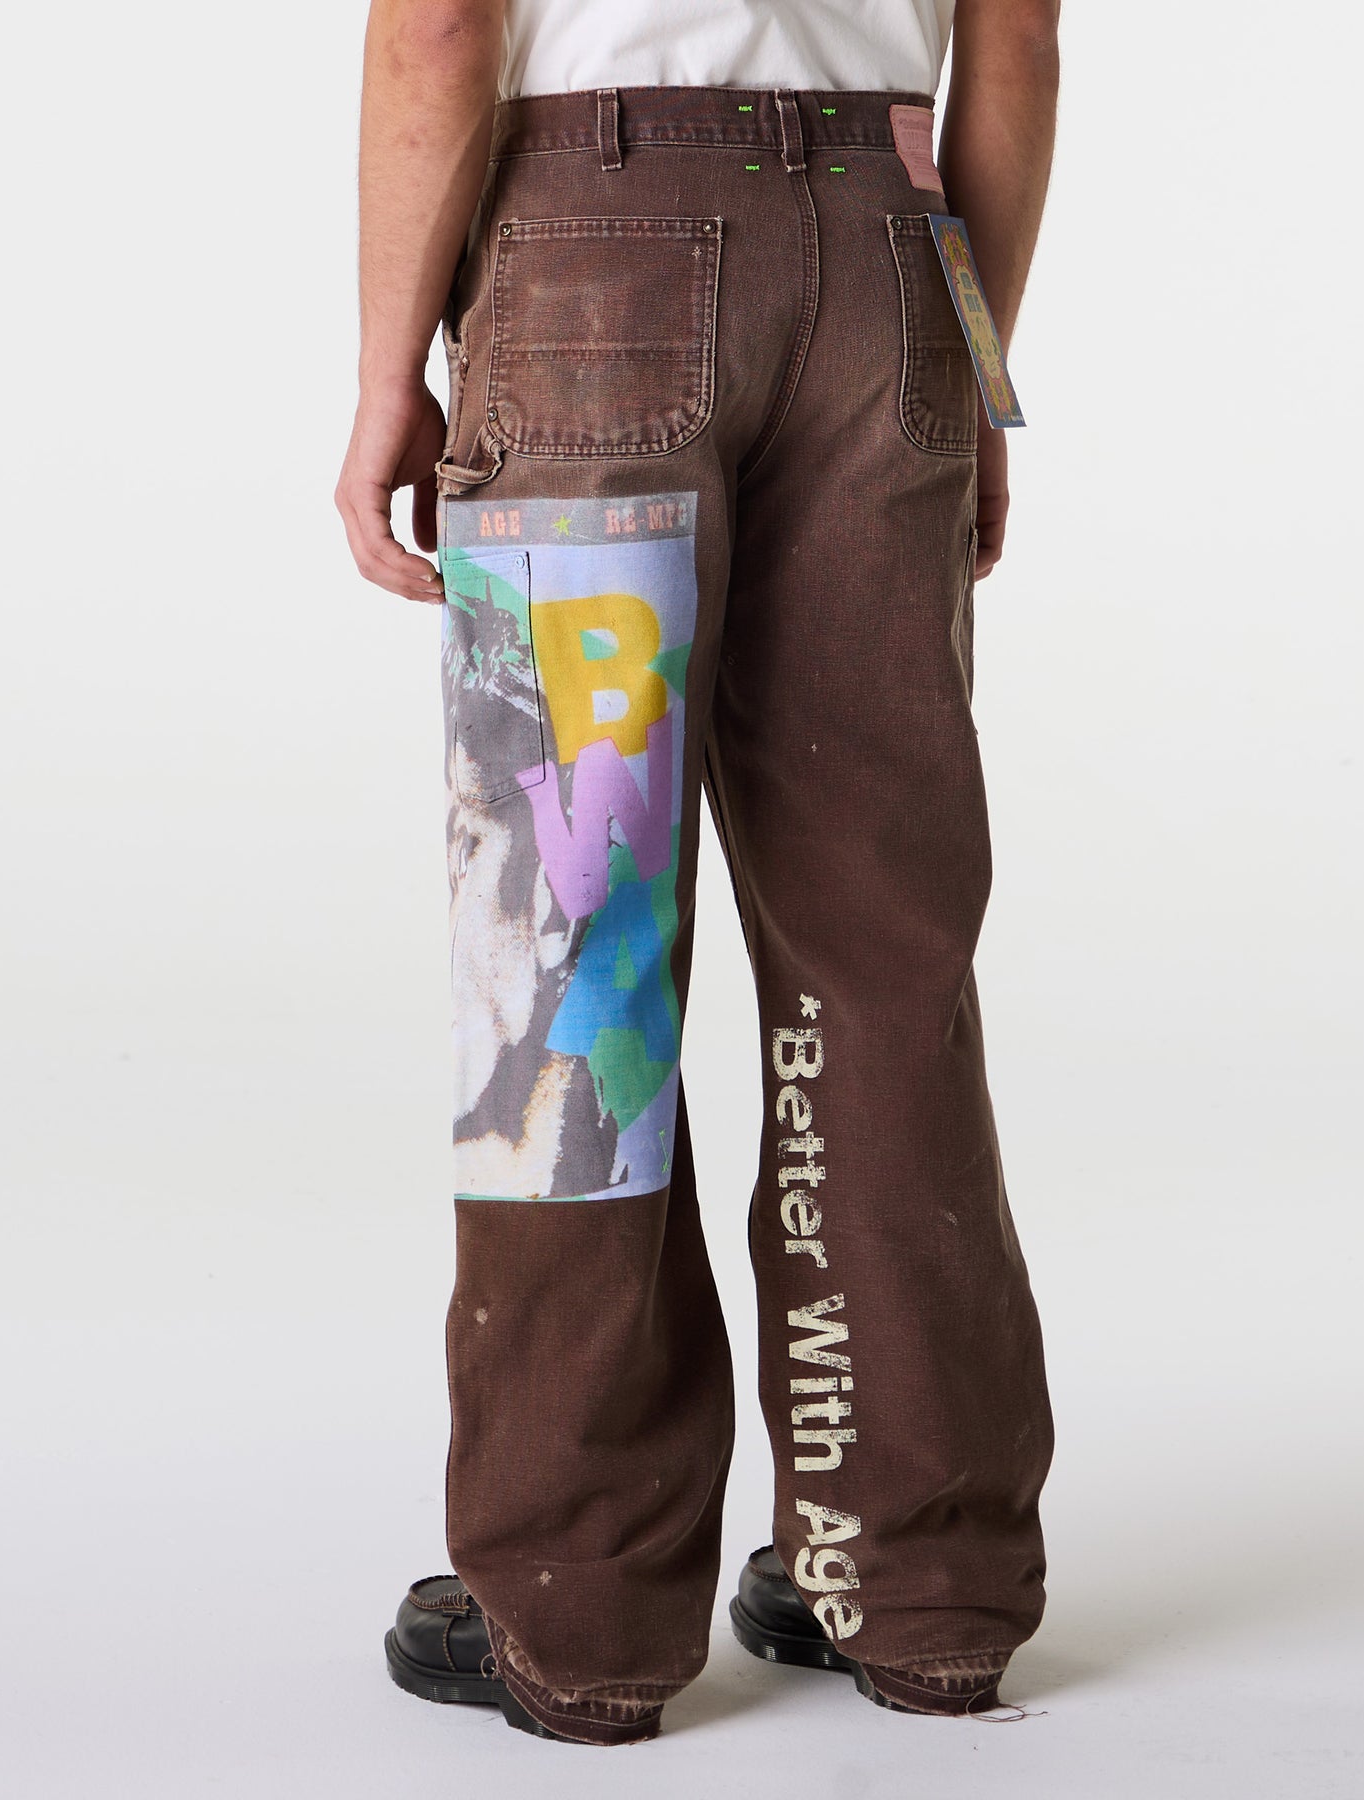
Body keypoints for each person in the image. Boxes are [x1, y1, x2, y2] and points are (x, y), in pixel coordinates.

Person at [335, 0, 1061, 1748]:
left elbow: (439, 25)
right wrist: (972, 367)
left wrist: (385, 377)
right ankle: (919, 1581)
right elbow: (1019, 42)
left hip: (594, 266)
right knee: (882, 956)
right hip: (895, 257)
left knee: (579, 946)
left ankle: (582, 1604)